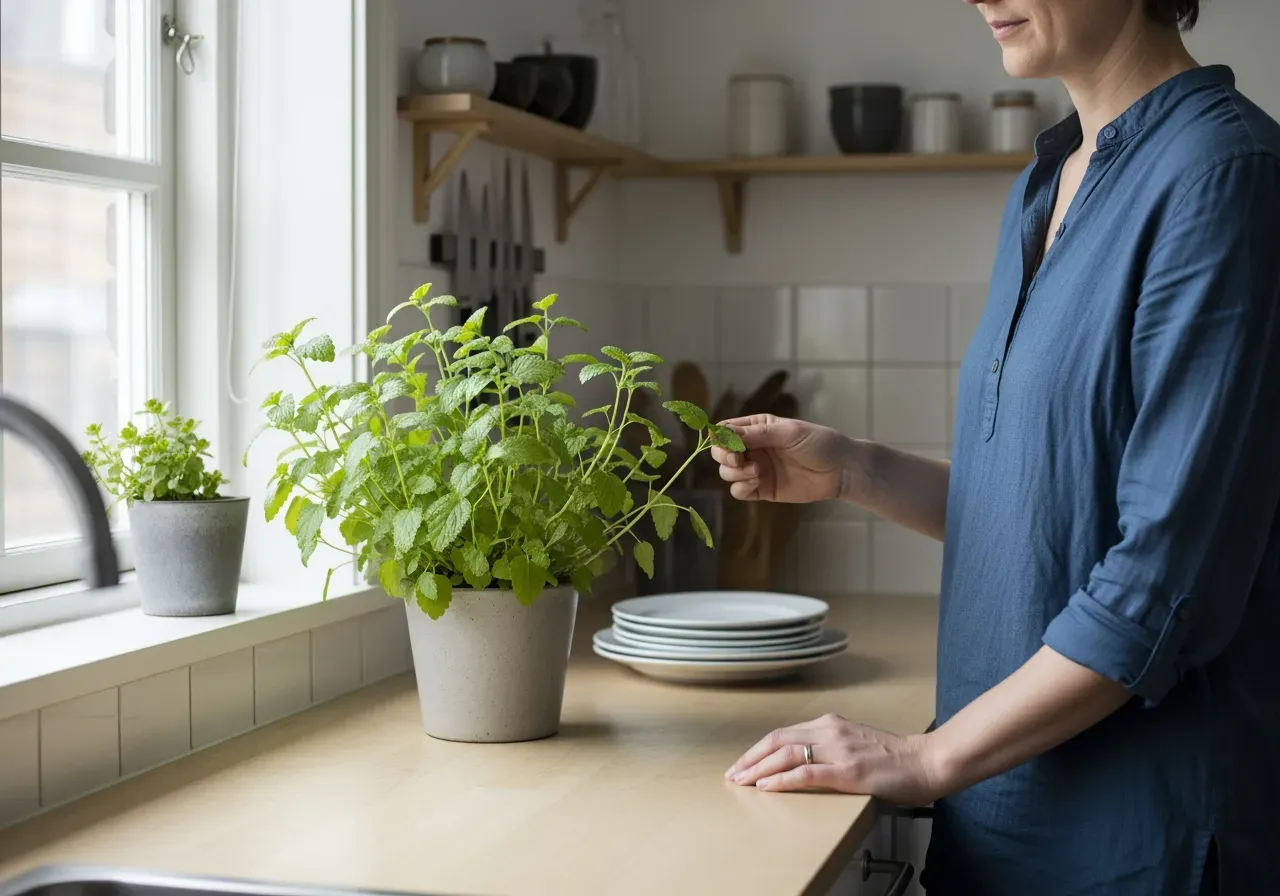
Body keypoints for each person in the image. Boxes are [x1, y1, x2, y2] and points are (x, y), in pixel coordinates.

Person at [714, 1, 1280, 893]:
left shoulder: (1225, 174)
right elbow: (1049, 507)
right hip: (1003, 818)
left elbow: (1164, 583)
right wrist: (859, 469)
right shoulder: (1049, 177)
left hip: (1137, 841)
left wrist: (925, 756)